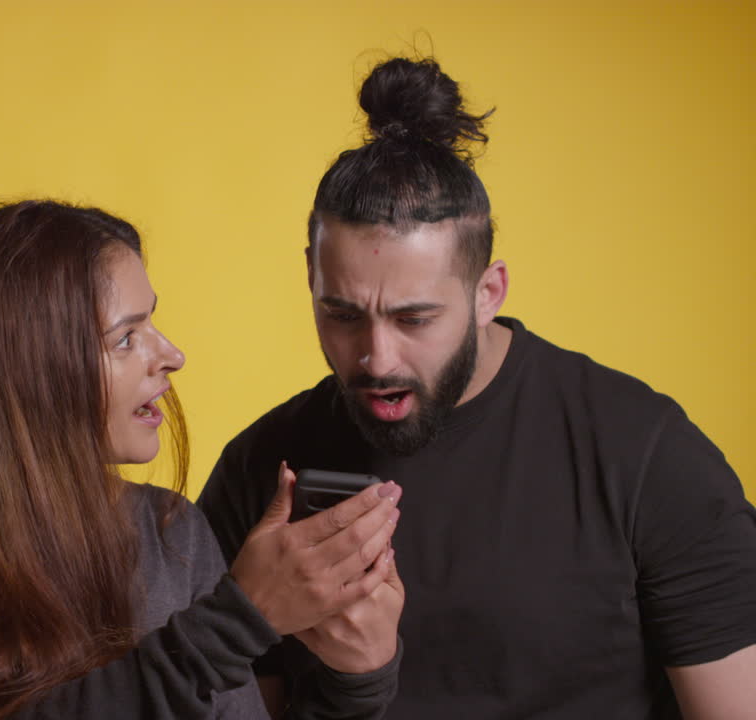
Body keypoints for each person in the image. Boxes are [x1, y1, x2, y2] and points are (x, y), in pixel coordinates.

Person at [197, 57, 756, 719]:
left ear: (487, 292)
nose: (377, 357)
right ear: (311, 282)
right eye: (342, 315)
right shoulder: (258, 469)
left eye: (414, 318)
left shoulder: (644, 454)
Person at [0, 199, 404, 719]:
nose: (172, 355)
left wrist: (357, 679)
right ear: (30, 369)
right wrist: (237, 622)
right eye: (125, 337)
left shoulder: (173, 535)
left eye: (154, 324)